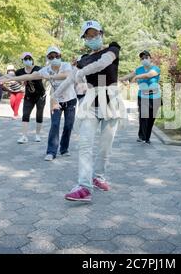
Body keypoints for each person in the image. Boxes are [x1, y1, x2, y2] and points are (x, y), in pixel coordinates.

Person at [53, 20, 126, 203]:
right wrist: (55, 96)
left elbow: (102, 64)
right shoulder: (83, 58)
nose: (92, 38)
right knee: (85, 144)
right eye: (88, 35)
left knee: (105, 146)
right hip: (91, 102)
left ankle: (98, 176)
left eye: (95, 34)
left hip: (111, 100)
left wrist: (81, 71)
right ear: (84, 39)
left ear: (101, 34)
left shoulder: (112, 49)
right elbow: (70, 79)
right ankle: (84, 187)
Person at [0, 47, 77, 161]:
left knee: (68, 126)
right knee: (55, 125)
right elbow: (29, 76)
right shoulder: (45, 70)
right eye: (51, 57)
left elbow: (66, 75)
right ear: (48, 59)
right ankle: (51, 152)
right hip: (55, 101)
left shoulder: (66, 65)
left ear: (60, 56)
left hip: (70, 100)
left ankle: (64, 149)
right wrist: (11, 79)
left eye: (56, 56)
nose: (54, 58)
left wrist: (50, 77)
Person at [120, 50, 161, 144]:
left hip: (154, 98)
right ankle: (141, 136)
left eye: (146, 57)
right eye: (142, 58)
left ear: (150, 58)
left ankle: (147, 138)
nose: (144, 59)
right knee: (143, 117)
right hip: (142, 96)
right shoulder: (139, 69)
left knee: (151, 118)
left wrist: (137, 77)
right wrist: (121, 79)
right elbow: (129, 75)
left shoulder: (155, 69)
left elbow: (148, 75)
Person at [15, 52, 46, 144]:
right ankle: (24, 136)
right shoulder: (20, 71)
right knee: (25, 114)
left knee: (39, 114)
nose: (28, 60)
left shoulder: (37, 69)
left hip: (40, 95)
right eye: (25, 59)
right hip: (29, 96)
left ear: (32, 59)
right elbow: (14, 77)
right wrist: (20, 82)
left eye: (29, 58)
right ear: (23, 61)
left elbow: (42, 76)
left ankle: (37, 134)